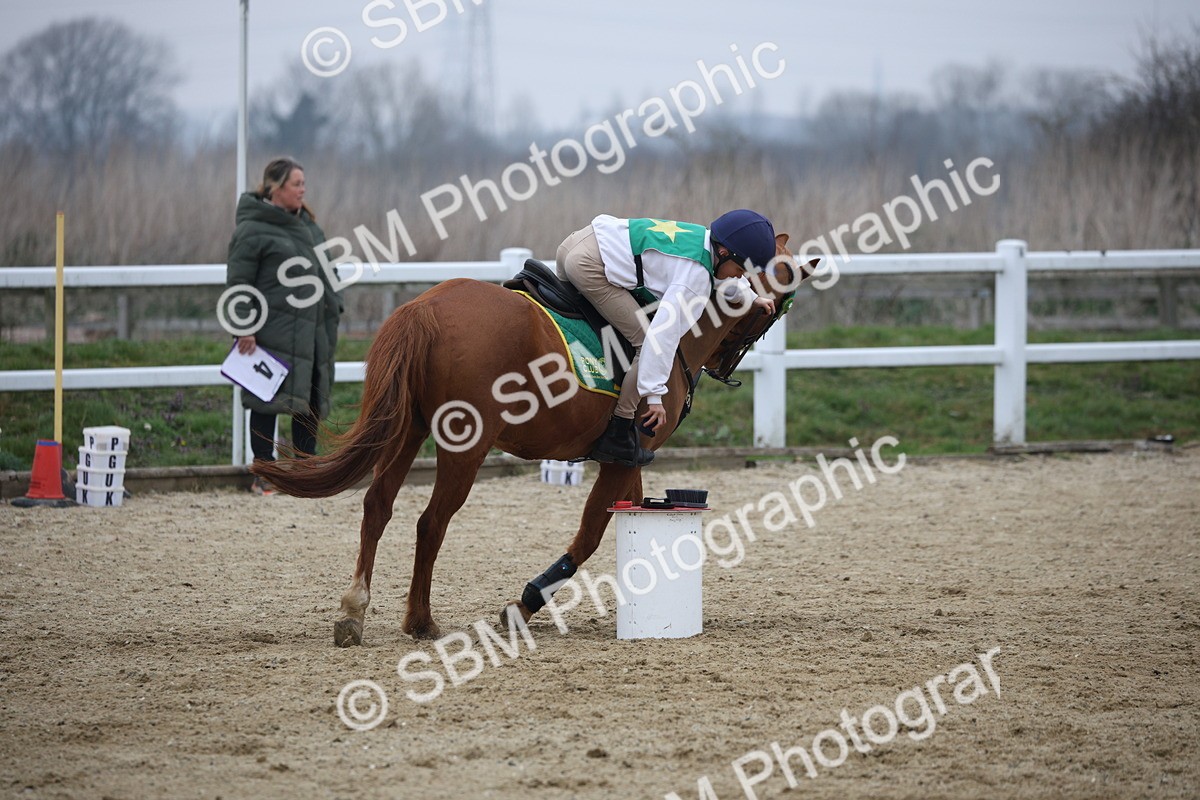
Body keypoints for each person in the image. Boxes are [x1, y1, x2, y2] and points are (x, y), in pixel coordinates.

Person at [556, 210, 778, 468]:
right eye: (739, 270)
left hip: (577, 241)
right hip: (588, 265)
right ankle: (618, 431)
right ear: (724, 252)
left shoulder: (705, 240)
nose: (739, 276)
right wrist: (654, 396)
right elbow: (662, 337)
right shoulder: (694, 281)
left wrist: (751, 297)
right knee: (644, 341)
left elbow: (719, 275)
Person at [225, 157, 343, 495]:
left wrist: (335, 303)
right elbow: (239, 284)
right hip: (271, 331)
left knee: (309, 398)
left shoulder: (309, 226)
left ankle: (305, 469)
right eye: (296, 184)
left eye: (304, 183)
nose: (303, 190)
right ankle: (264, 472)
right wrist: (244, 326)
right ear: (275, 188)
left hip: (313, 330)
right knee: (266, 399)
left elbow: (328, 271)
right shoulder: (252, 230)